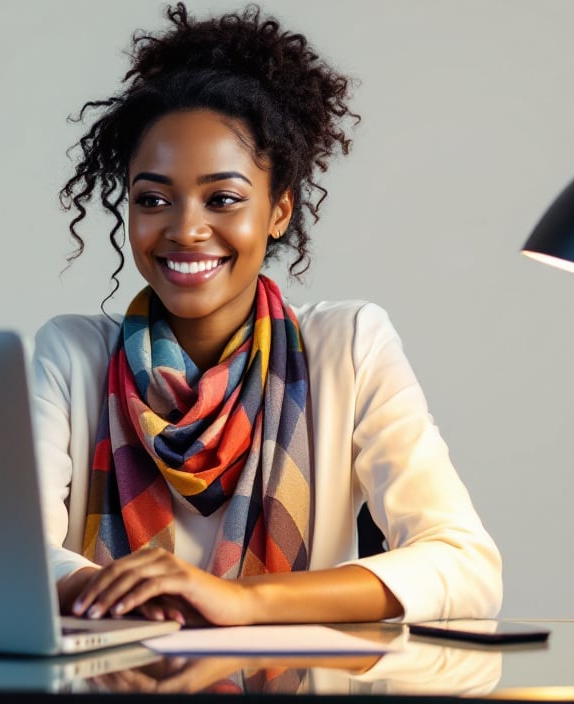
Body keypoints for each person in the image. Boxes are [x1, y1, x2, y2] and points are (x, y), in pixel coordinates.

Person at [33, 3, 501, 627]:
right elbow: (12, 561)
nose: (186, 228)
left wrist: (243, 600)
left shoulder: (349, 345)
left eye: (222, 198)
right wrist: (134, 593)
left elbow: (465, 565)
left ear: (279, 211)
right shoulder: (72, 355)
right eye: (153, 199)